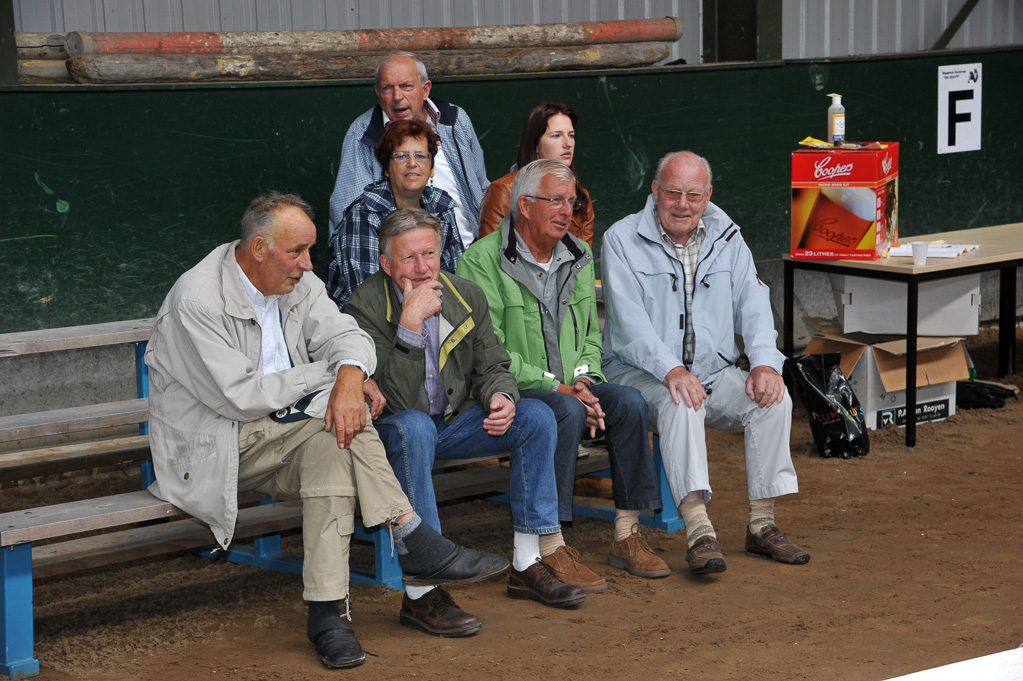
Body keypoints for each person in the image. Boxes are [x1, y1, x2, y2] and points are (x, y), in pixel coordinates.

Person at [144, 192, 508, 670]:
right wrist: (333, 379)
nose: (307, 264)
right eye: (297, 252)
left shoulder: (299, 282)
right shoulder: (197, 299)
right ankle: (411, 536)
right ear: (258, 249)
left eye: (309, 250)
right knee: (341, 420)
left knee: (338, 445)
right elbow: (242, 396)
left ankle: (327, 616)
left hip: (290, 430)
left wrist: (351, 375)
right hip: (217, 445)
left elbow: (349, 338)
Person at [346, 207, 587, 628]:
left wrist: (501, 396)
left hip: (451, 422)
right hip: (393, 430)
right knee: (416, 427)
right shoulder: (362, 307)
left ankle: (527, 563)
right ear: (386, 264)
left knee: (535, 417)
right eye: (408, 258)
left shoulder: (465, 295)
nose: (423, 268)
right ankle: (423, 591)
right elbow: (401, 402)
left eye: (430, 254)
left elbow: (494, 364)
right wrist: (409, 324)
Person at [458, 159, 669, 589]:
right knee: (563, 412)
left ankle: (626, 536)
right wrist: (559, 387)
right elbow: (488, 350)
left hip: (573, 385)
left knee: (629, 402)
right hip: (516, 390)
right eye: (555, 201)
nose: (566, 211)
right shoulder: (481, 261)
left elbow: (592, 334)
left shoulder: (579, 252)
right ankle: (550, 546)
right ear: (524, 205)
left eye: (571, 202)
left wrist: (586, 382)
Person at [600, 151, 811, 575]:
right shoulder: (620, 238)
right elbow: (629, 326)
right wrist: (671, 370)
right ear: (655, 192)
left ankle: (762, 524)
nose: (682, 204)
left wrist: (765, 364)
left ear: (708, 195)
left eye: (693, 194)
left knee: (773, 398)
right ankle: (700, 531)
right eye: (673, 192)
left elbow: (753, 304)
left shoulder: (727, 235)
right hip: (639, 375)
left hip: (711, 373)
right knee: (682, 402)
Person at [328, 51, 489, 249]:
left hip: (469, 250)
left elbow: (481, 187)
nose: (397, 97)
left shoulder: (455, 119)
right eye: (387, 88)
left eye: (406, 86)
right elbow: (347, 214)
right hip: (402, 260)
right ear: (378, 93)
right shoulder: (362, 133)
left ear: (425, 89)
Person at [326, 118, 463, 308]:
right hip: (368, 322)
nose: (412, 163)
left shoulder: (441, 205)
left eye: (421, 156)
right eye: (401, 156)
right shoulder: (365, 212)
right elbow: (365, 294)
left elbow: (453, 275)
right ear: (386, 168)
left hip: (432, 306)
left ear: (431, 169)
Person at [477, 102, 594, 247]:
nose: (568, 143)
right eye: (556, 135)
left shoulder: (581, 197)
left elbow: (583, 262)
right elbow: (490, 258)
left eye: (571, 135)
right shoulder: (504, 191)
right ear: (535, 144)